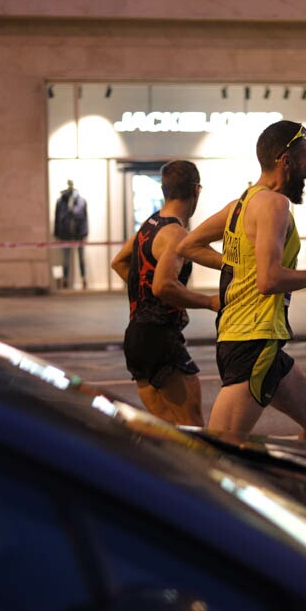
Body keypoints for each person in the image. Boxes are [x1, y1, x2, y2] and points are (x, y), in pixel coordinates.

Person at [177, 120, 306, 442]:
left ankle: (296, 488)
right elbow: (269, 281)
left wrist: (241, 266)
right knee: (217, 452)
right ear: (285, 161)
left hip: (259, 339)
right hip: (251, 341)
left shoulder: (241, 204)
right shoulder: (274, 204)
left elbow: (188, 245)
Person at [111, 161, 220, 427]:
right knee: (193, 429)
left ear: (165, 190)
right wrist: (209, 302)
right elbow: (164, 286)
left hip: (137, 337)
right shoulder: (175, 234)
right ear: (196, 190)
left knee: (166, 431)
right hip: (160, 339)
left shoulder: (149, 226)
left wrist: (148, 298)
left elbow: (119, 262)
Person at [54, 180, 89, 289]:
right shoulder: (60, 202)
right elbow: (57, 218)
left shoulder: (82, 201)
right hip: (65, 235)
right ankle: (65, 279)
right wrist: (57, 233)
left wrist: (85, 233)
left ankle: (84, 278)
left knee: (81, 258)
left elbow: (85, 219)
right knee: (65, 258)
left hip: (79, 234)